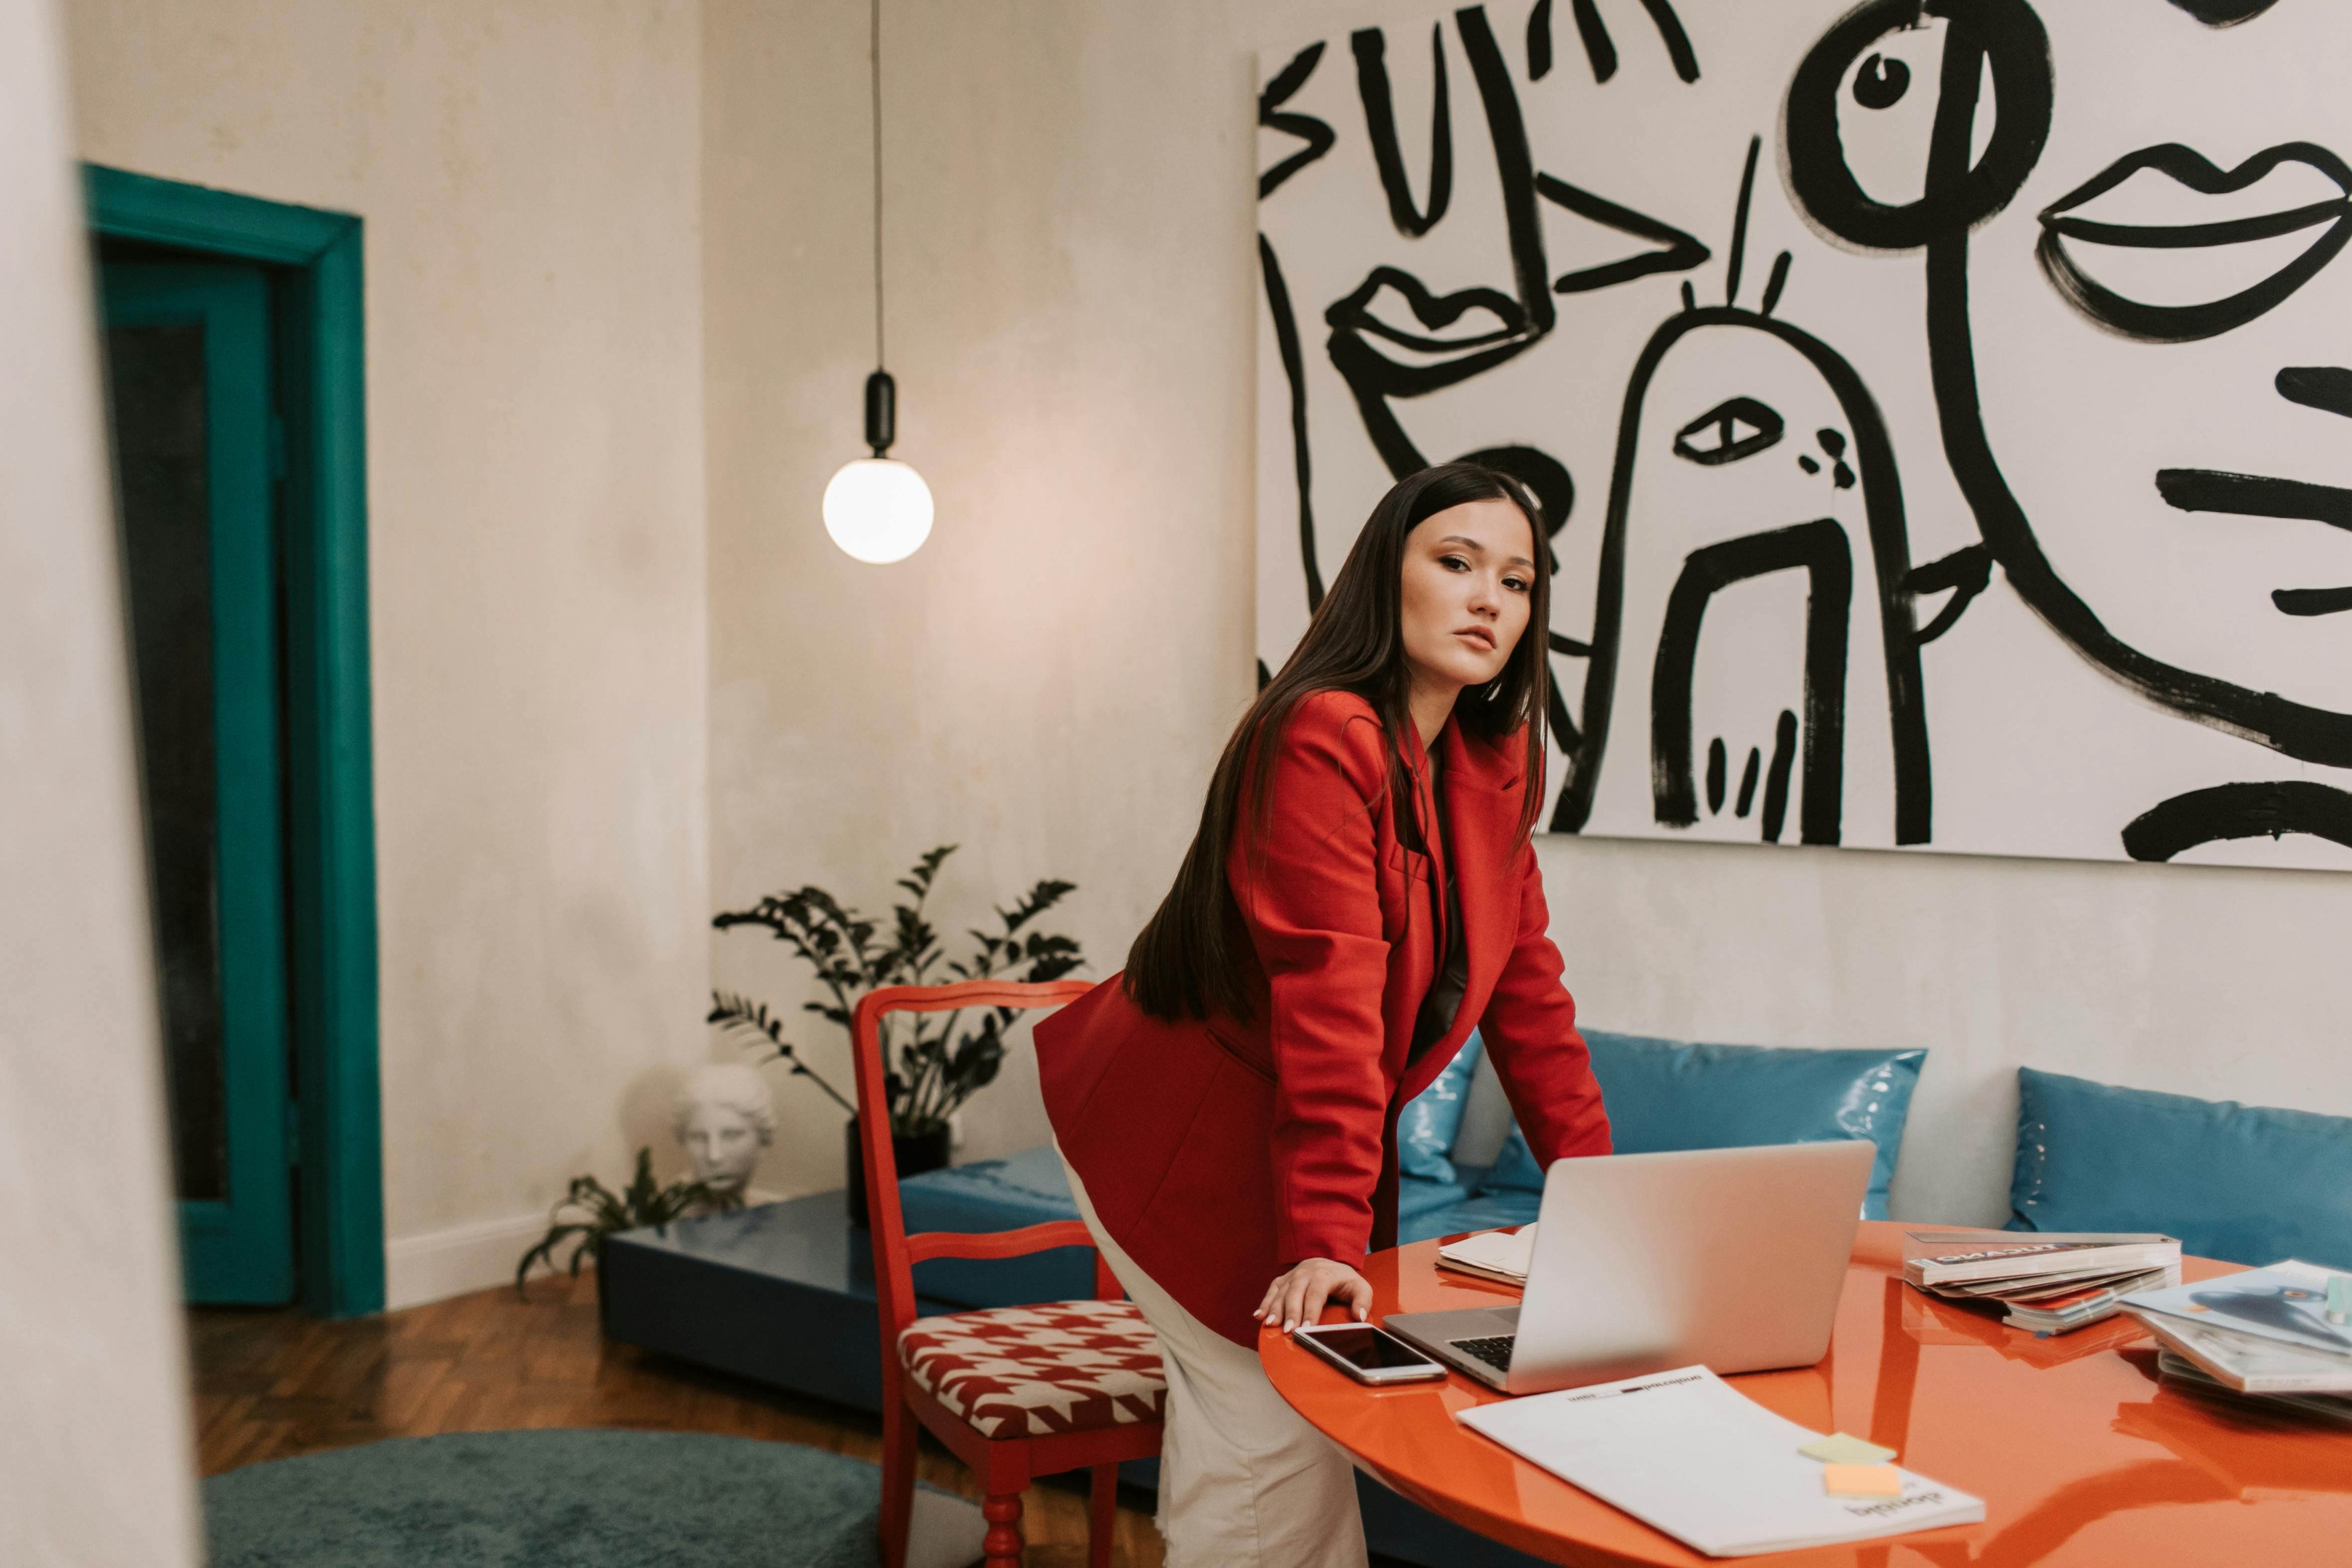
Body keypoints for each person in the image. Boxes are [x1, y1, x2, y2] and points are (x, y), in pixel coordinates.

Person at [1035, 462, 1613, 1568]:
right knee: (1280, 1442)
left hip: (1281, 1142)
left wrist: (1612, 1208)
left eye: (1517, 581)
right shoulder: (1317, 733)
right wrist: (1322, 1243)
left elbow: (1530, 1003)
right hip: (1177, 1140)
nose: (1489, 599)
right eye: (1456, 563)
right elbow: (1331, 1007)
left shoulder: (1493, 763)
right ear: (1384, 577)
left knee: (1262, 1448)